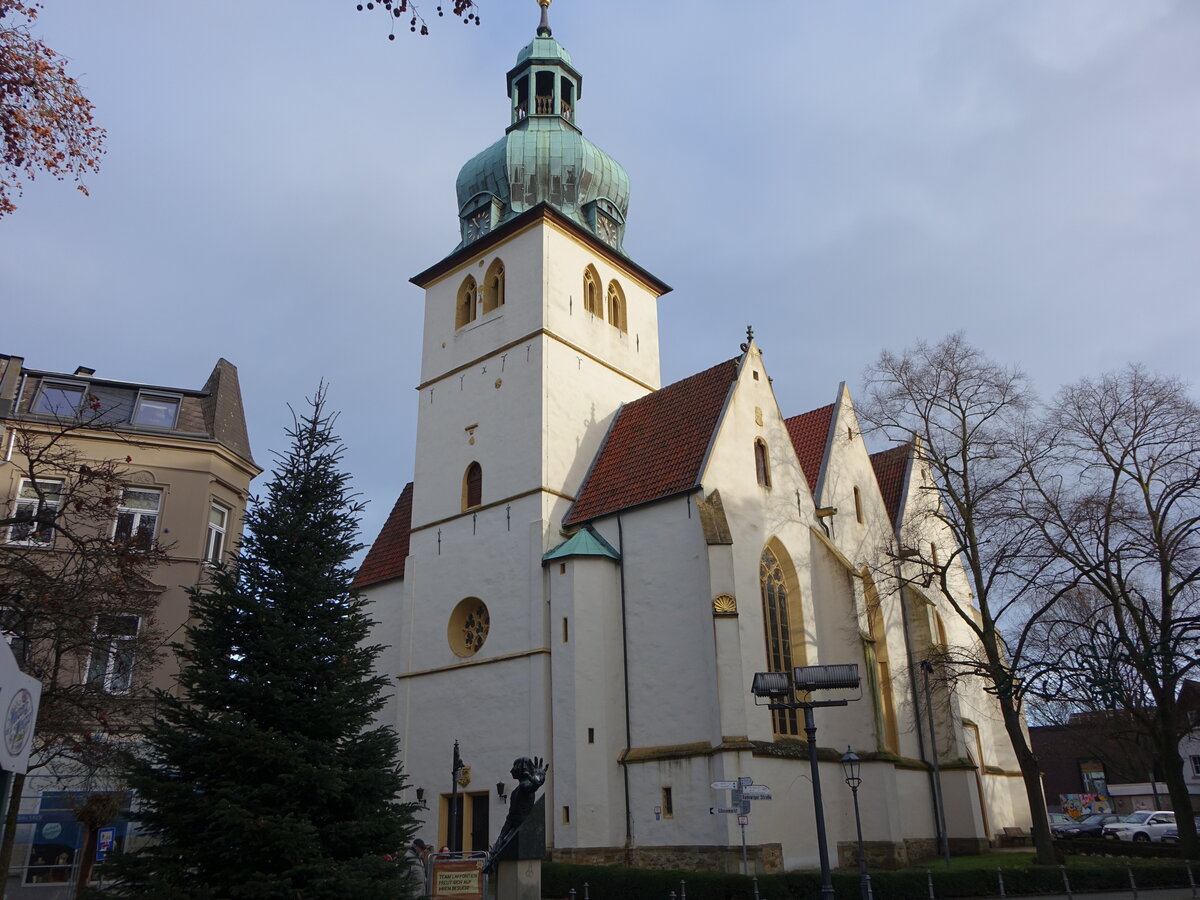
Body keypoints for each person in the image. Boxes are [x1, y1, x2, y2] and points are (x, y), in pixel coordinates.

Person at [486, 756, 547, 871]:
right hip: (513, 825)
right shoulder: (517, 790)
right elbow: (510, 817)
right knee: (503, 845)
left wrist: (538, 781)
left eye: (514, 767)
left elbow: (531, 787)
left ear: (521, 769)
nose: (511, 770)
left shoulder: (524, 786)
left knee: (506, 845)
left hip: (521, 828)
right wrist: (500, 839)